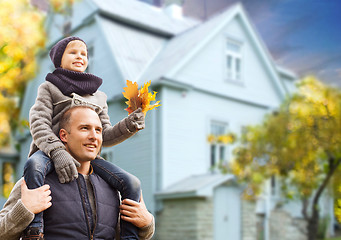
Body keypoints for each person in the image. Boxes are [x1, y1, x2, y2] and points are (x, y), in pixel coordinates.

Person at [23, 36, 145, 239]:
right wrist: (57, 151)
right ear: (59, 59)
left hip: (86, 158)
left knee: (131, 183)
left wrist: (128, 126)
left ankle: (129, 236)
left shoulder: (99, 96)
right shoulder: (50, 87)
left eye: (84, 54)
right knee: (33, 166)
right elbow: (38, 123)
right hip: (50, 151)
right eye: (73, 52)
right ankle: (34, 229)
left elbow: (104, 135)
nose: (80, 56)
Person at [0, 106, 155, 240]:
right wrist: (24, 210)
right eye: (84, 128)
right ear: (63, 136)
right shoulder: (35, 183)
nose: (94, 136)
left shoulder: (113, 188)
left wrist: (147, 224)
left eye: (98, 130)